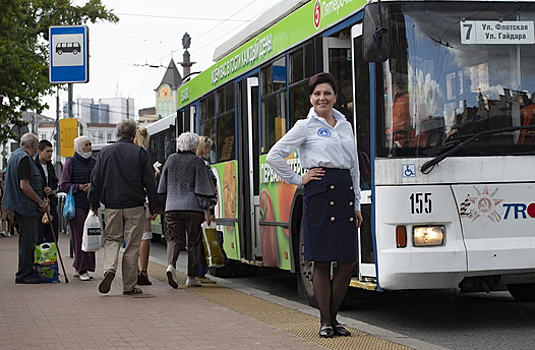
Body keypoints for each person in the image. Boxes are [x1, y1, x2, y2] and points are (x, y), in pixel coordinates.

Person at [266, 72, 363, 338]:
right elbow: (275, 155)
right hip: (318, 192)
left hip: (344, 192)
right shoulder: (305, 126)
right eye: (317, 94)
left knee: (346, 262)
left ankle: (334, 318)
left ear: (335, 97)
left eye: (327, 93)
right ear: (311, 98)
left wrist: (356, 204)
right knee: (321, 261)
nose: (322, 98)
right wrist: (298, 179)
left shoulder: (345, 125)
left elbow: (353, 166)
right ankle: (325, 321)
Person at [89, 119, 158, 295]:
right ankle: (129, 286)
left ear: (117, 133)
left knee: (112, 240)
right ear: (134, 134)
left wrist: (94, 204)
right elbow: (149, 181)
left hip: (111, 205)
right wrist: (155, 206)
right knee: (132, 245)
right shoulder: (140, 152)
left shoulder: (105, 152)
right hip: (135, 205)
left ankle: (109, 268)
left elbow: (95, 180)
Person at [158, 132, 216, 289]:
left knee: (174, 239)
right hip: (193, 209)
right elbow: (203, 189)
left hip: (172, 207)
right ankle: (191, 277)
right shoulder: (197, 162)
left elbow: (162, 186)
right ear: (194, 146)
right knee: (193, 243)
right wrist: (208, 210)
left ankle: (171, 265)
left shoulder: (170, 160)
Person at [2, 133, 49, 284]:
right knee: (28, 241)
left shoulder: (15, 155)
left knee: (26, 240)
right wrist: (40, 202)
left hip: (18, 204)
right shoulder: (24, 159)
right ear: (35, 144)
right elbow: (24, 186)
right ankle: (24, 274)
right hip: (26, 206)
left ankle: (25, 272)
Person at [59, 136, 97, 281]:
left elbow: (98, 180)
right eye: (86, 145)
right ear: (79, 147)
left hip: (91, 204)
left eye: (90, 144)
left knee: (90, 236)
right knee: (80, 236)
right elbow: (63, 185)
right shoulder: (71, 163)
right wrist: (80, 187)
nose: (89, 147)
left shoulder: (94, 162)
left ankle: (80, 266)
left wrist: (92, 187)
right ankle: (82, 269)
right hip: (77, 205)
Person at [195, 136, 217, 284]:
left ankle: (198, 272)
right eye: (208, 148)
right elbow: (206, 190)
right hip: (204, 208)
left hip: (196, 207)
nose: (209, 151)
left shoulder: (196, 163)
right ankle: (200, 273)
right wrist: (208, 213)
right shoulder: (204, 164)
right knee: (202, 241)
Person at [133, 126, 153, 286]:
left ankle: (131, 271)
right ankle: (143, 272)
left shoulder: (127, 152)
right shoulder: (143, 154)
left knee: (131, 236)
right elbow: (149, 182)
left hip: (125, 201)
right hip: (143, 201)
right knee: (145, 235)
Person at [34, 140, 60, 244]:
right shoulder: (34, 166)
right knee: (39, 238)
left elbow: (55, 182)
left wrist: (52, 189)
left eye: (51, 151)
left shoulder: (50, 166)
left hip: (51, 206)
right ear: (39, 152)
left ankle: (51, 260)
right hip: (39, 207)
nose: (50, 154)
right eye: (47, 151)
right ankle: (39, 260)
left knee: (52, 238)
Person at [385, 74, 410, 147]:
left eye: (386, 88)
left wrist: (380, 135)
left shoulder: (402, 102)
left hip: (406, 145)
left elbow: (397, 129)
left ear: (395, 86)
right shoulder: (397, 100)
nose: (386, 92)